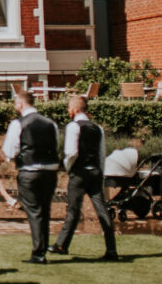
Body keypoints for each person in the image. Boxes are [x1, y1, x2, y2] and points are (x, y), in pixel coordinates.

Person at [50, 94, 119, 260]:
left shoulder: (73, 127)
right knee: (102, 210)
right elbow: (102, 153)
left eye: (68, 108)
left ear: (74, 109)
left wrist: (68, 166)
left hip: (79, 173)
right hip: (95, 171)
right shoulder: (98, 128)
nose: (68, 111)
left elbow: (72, 152)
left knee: (73, 210)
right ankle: (111, 250)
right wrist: (100, 173)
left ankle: (62, 245)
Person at [2, 87, 62, 264]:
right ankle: (42, 247)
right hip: (50, 171)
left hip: (29, 170)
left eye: (15, 103)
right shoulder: (51, 123)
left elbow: (10, 150)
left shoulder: (18, 124)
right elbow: (56, 145)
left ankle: (39, 253)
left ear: (20, 104)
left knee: (34, 212)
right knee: (45, 210)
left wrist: (11, 158)